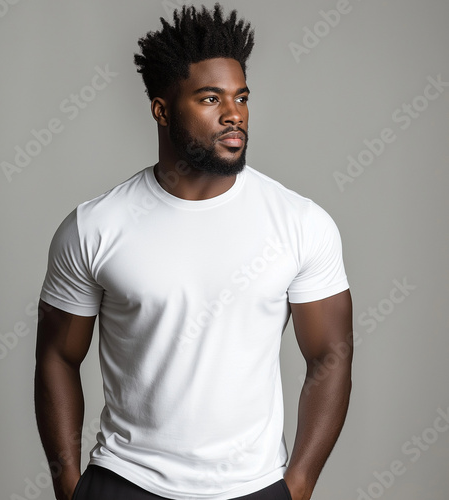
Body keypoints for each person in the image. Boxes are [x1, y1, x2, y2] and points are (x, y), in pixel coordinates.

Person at [34, 4, 353, 500]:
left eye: (241, 97)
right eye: (210, 98)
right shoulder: (94, 226)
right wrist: (69, 486)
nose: (234, 114)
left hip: (254, 487)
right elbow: (56, 355)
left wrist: (299, 483)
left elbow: (330, 353)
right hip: (125, 482)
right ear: (161, 109)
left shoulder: (300, 222)